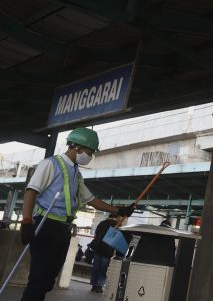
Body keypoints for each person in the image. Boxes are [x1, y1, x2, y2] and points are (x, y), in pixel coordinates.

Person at [19, 127, 135, 301]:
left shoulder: (76, 174)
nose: (90, 156)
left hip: (63, 229)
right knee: (39, 278)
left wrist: (118, 210)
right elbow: (30, 191)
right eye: (90, 152)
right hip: (46, 225)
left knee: (49, 279)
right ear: (77, 148)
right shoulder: (51, 164)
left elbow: (91, 200)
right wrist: (26, 222)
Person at [89, 214, 118, 293]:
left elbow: (96, 235)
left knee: (96, 267)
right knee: (104, 269)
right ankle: (99, 286)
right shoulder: (116, 225)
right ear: (117, 217)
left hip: (98, 248)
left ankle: (93, 286)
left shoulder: (101, 223)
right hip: (108, 250)